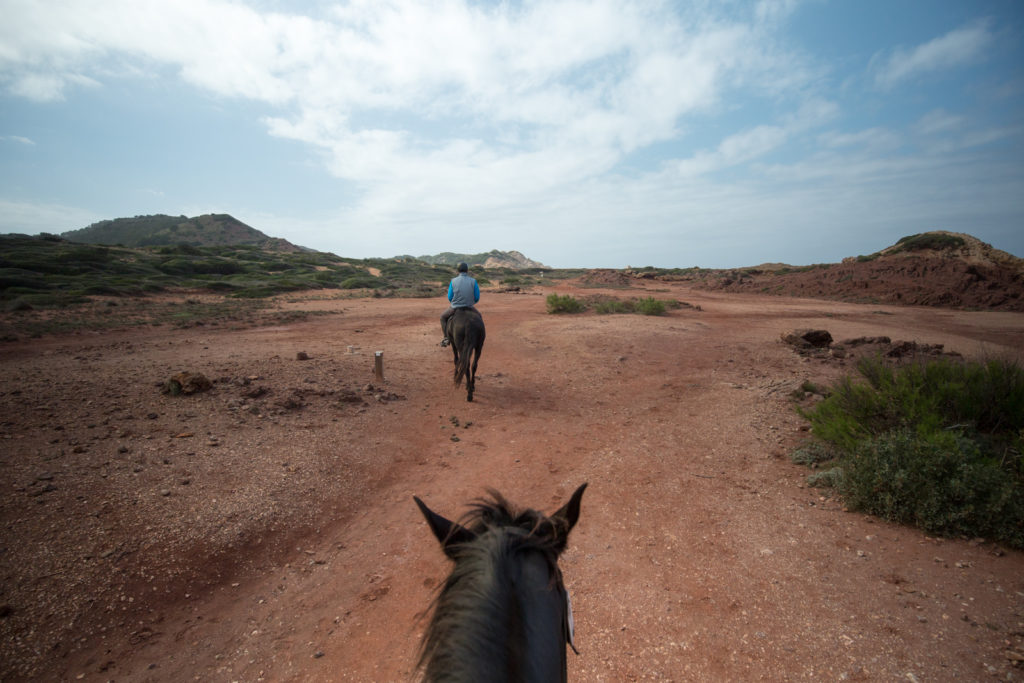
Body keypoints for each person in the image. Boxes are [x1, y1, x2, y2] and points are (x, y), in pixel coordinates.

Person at [440, 262, 480, 346]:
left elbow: (450, 296)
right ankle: (479, 337)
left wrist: (455, 302)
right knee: (479, 316)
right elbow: (477, 297)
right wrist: (470, 303)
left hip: (455, 307)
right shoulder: (473, 281)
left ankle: (446, 338)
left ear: (458, 270)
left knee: (443, 317)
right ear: (467, 270)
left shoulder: (453, 281)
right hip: (469, 307)